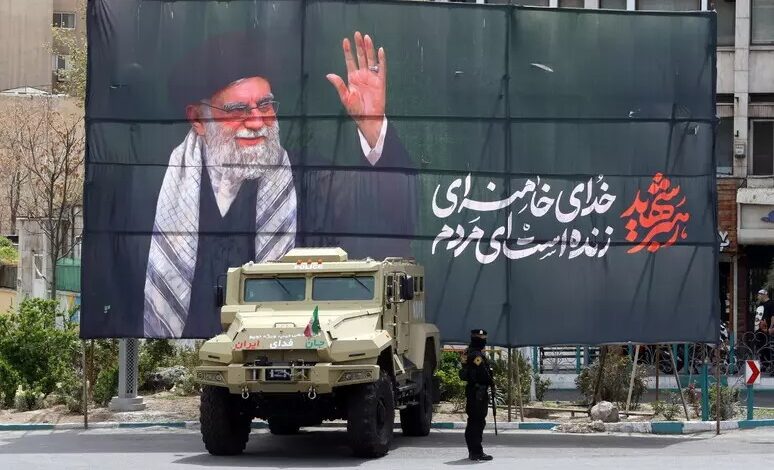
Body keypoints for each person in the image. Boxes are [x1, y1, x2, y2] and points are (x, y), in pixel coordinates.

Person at [82, 31, 415, 338]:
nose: (257, 121)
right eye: (237, 109)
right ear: (198, 119)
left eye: (265, 105)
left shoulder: (312, 179)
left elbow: (386, 220)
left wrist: (372, 127)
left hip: (292, 349)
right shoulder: (153, 187)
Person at [459, 329, 494, 461]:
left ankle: (474, 451)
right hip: (478, 393)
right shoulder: (476, 355)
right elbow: (482, 373)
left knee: (474, 421)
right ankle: (476, 451)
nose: (484, 342)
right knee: (477, 422)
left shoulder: (467, 352)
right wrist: (490, 381)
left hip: (473, 391)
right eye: (482, 339)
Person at [755, 288, 774, 372]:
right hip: (760, 330)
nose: (758, 297)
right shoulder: (761, 305)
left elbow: (773, 316)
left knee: (768, 347)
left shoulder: (771, 304)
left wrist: (771, 327)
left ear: (764, 295)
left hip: (767, 329)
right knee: (761, 347)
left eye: (759, 295)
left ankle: (769, 365)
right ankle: (764, 364)